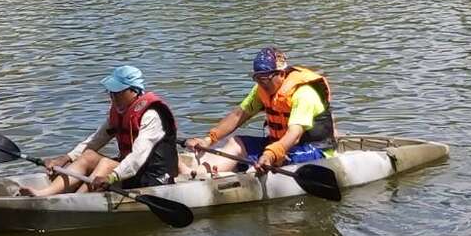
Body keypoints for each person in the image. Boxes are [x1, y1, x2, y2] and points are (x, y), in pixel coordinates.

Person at [21, 65, 179, 197]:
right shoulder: (119, 111)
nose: (113, 97)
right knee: (89, 155)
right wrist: (66, 157)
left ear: (134, 91)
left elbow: (137, 157)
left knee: (105, 163)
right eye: (111, 92)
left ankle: (76, 200)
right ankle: (45, 193)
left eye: (118, 92)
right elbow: (95, 140)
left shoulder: (151, 115)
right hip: (130, 172)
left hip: (154, 177)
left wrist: (111, 177)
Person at [184, 47, 336, 176]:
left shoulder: (303, 94)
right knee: (236, 143)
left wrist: (271, 154)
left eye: (265, 78)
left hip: (314, 149)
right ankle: (200, 176)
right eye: (257, 78)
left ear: (281, 74)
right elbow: (238, 115)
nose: (261, 84)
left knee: (272, 160)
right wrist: (208, 140)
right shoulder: (261, 90)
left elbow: (294, 135)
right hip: (277, 145)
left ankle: (249, 173)